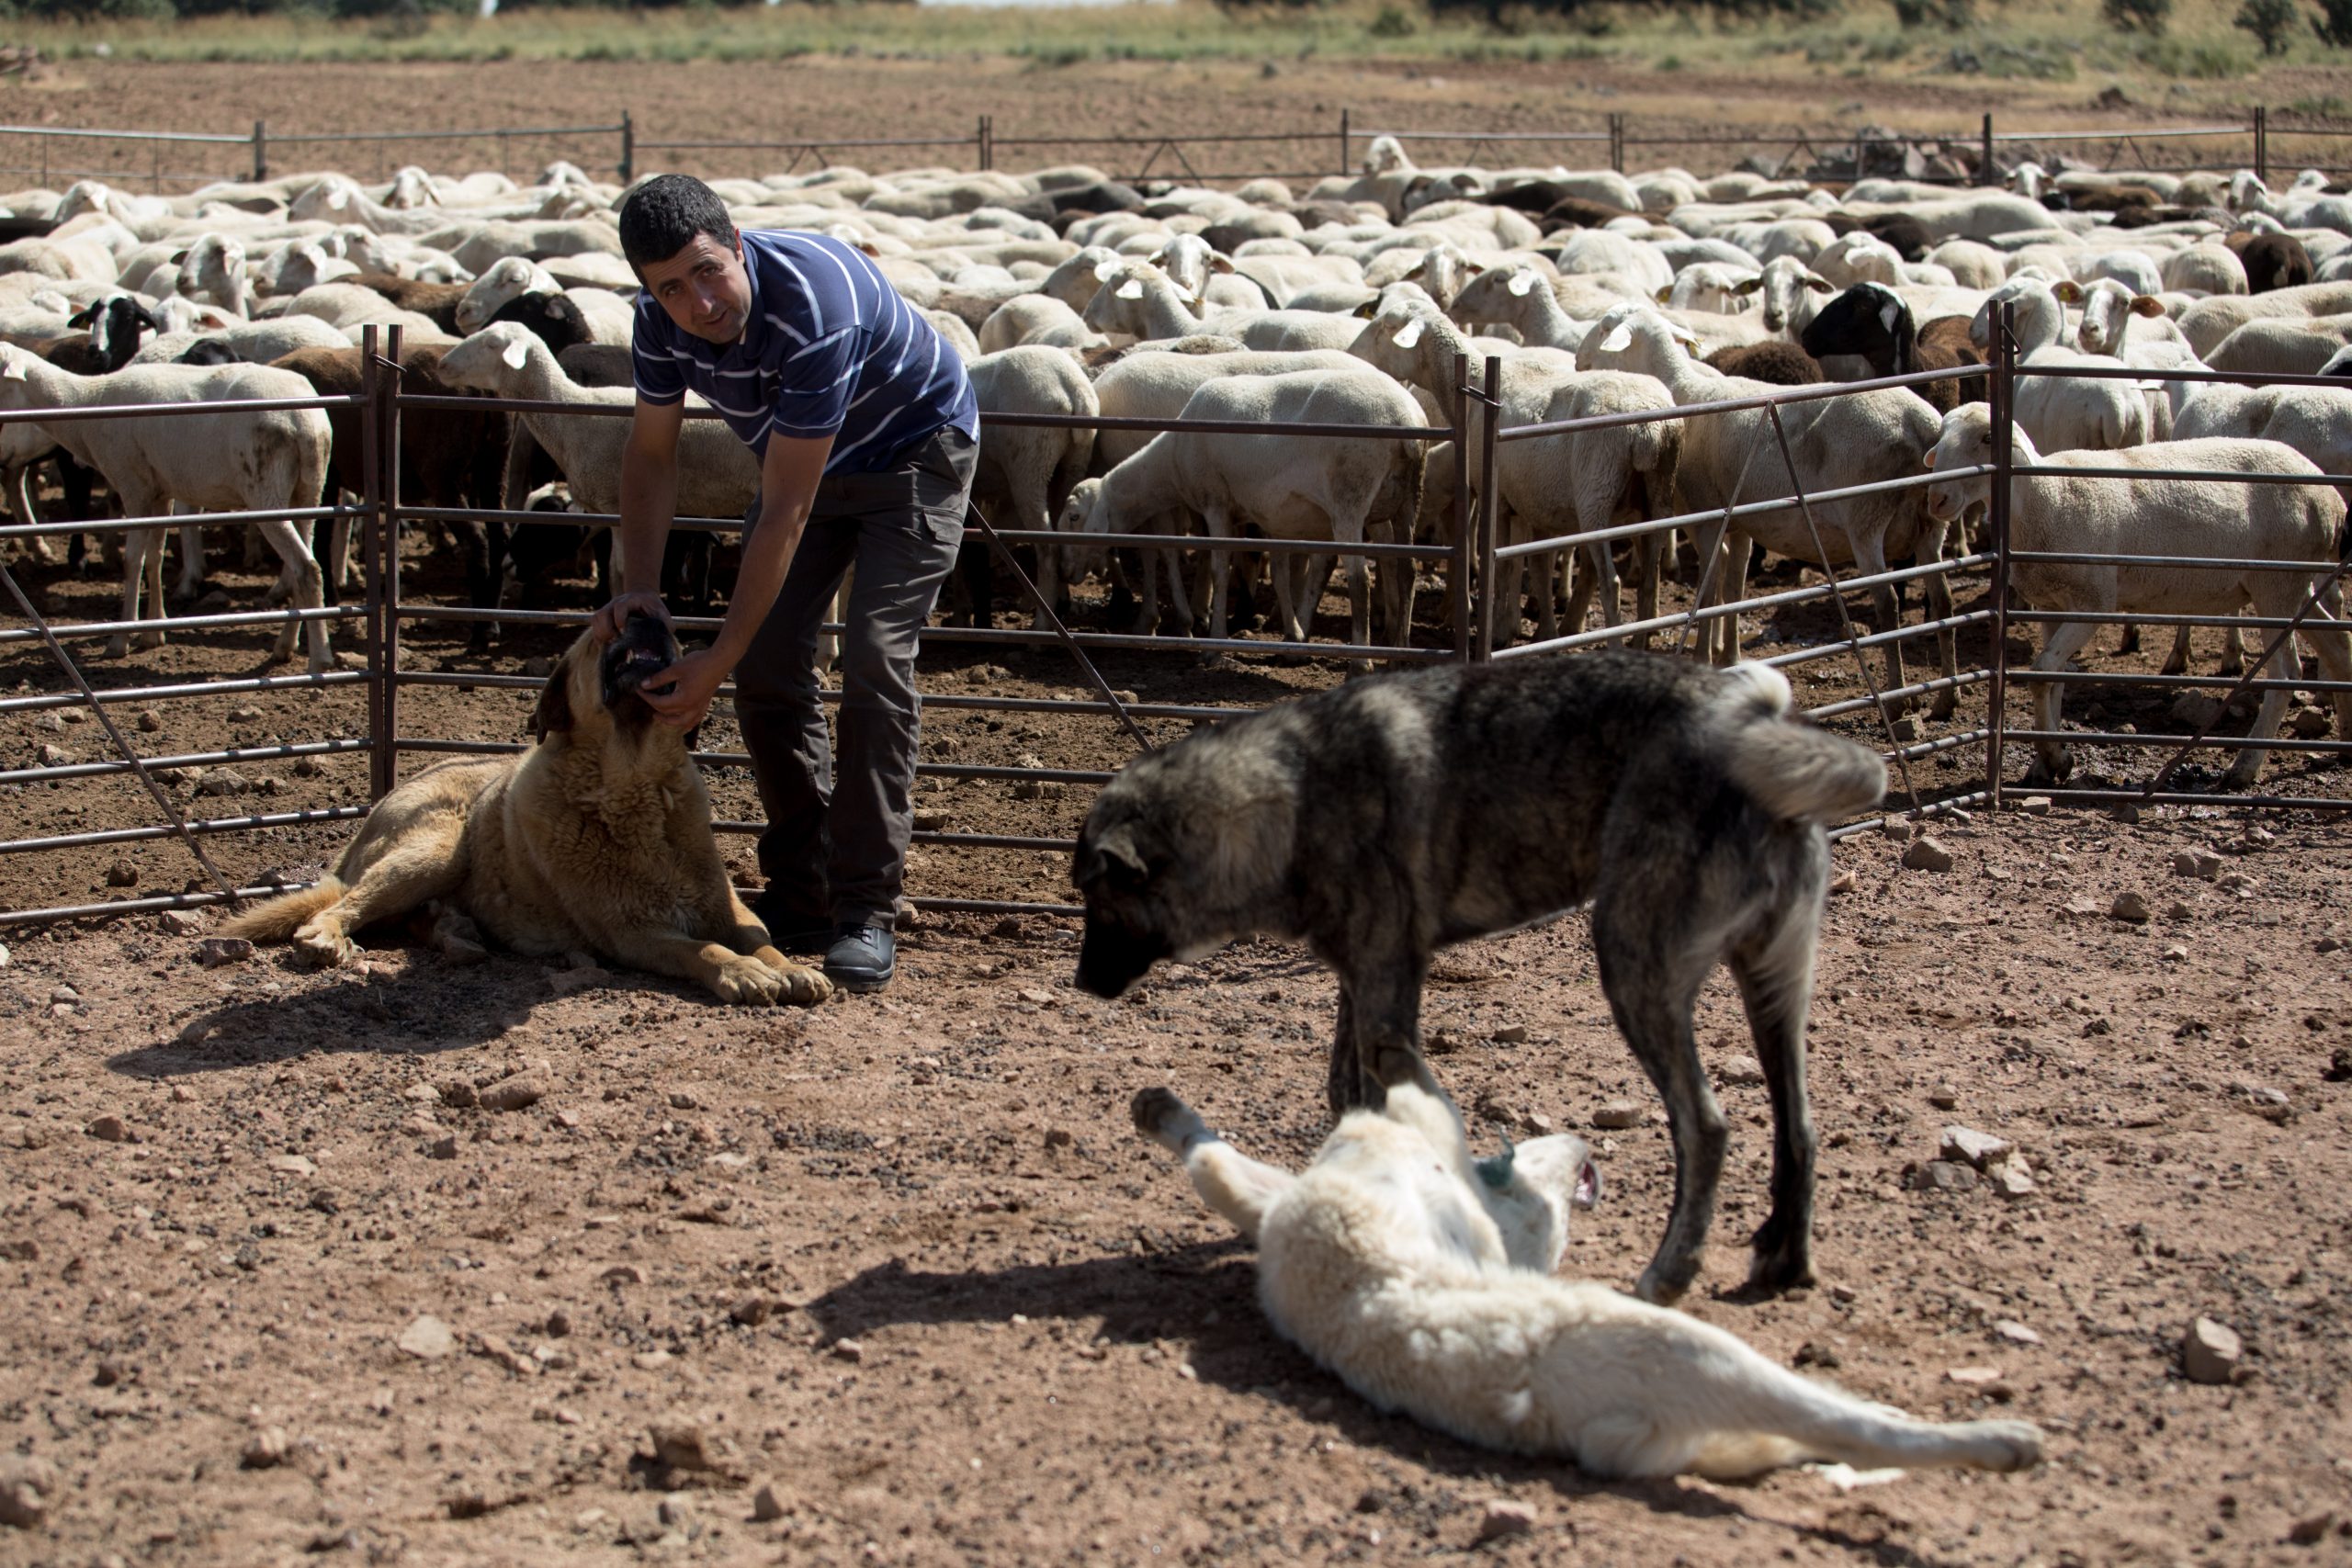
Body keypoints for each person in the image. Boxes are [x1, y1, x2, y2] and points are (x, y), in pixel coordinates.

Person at [593, 175, 978, 994]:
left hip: (913, 451)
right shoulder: (658, 326)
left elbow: (787, 509)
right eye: (670, 288)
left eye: (707, 271)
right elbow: (652, 453)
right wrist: (643, 592)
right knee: (768, 662)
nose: (698, 304)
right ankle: (804, 890)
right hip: (802, 461)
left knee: (875, 656)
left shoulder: (812, 307)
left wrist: (716, 658)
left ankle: (865, 906)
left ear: (737, 244)